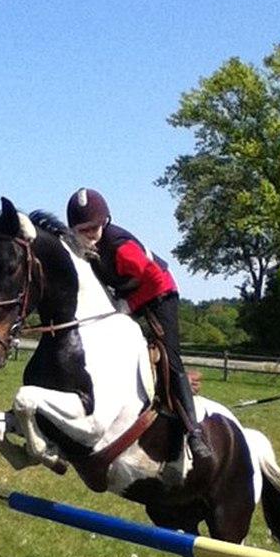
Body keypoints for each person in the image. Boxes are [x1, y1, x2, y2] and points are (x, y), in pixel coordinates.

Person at [66, 187, 213, 463]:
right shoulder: (87, 247)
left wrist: (129, 306)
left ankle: (193, 432)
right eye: (83, 230)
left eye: (95, 227)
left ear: (105, 221)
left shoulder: (120, 247)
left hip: (160, 293)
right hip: (130, 293)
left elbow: (154, 278)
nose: (90, 234)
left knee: (169, 358)